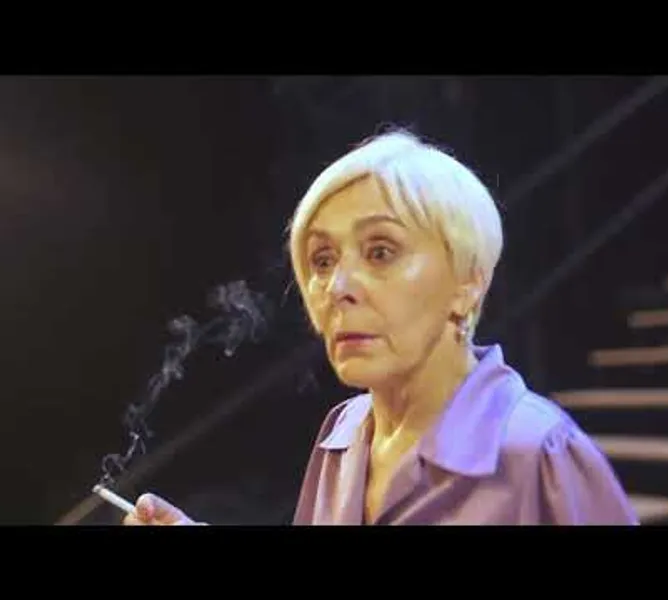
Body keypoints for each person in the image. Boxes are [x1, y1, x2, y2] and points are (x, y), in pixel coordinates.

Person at [123, 128, 639, 526]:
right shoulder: (343, 434)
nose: (338, 286)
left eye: (381, 251)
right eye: (322, 260)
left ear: (468, 282)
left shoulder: (537, 452)